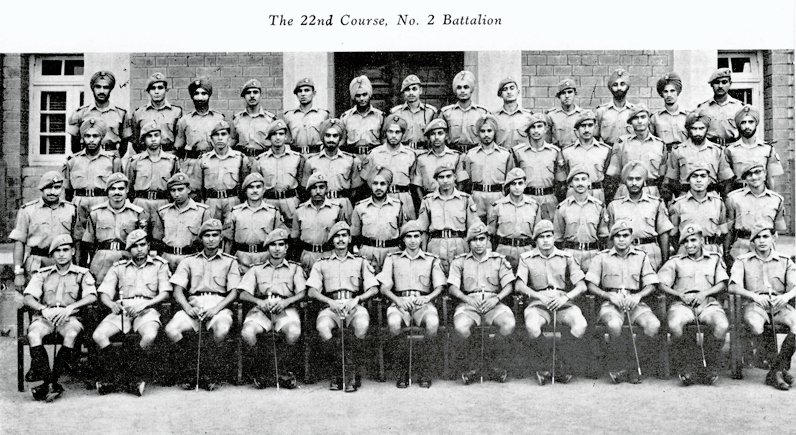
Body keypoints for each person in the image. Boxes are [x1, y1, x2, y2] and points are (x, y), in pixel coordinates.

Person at [165, 219, 242, 391]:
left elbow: (234, 292)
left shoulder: (230, 262)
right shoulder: (188, 261)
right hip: (194, 304)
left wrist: (216, 309)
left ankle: (210, 372)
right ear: (201, 238)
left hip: (219, 306)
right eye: (207, 235)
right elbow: (177, 291)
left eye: (215, 235)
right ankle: (191, 369)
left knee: (222, 329)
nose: (211, 239)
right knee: (171, 330)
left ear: (221, 238)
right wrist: (187, 308)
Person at [92, 230, 172, 396]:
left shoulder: (159, 265)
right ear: (129, 250)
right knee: (99, 335)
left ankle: (132, 376)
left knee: (149, 335)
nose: (140, 249)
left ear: (148, 246)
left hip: (147, 308)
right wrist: (111, 304)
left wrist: (146, 304)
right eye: (135, 246)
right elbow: (104, 293)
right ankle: (120, 376)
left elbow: (165, 293)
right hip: (123, 309)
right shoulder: (119, 267)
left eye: (143, 245)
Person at [307, 221, 380, 392]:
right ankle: (337, 371)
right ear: (332, 240)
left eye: (344, 236)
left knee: (361, 325)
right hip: (331, 307)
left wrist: (358, 299)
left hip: (353, 305)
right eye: (337, 237)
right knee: (323, 327)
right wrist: (329, 302)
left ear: (349, 239)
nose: (340, 240)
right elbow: (311, 291)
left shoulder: (360, 261)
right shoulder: (322, 262)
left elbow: (374, 288)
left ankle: (352, 372)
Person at [23, 235, 97, 402]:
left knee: (71, 334)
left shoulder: (82, 273)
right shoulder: (43, 274)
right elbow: (28, 297)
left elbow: (92, 296)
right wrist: (42, 309)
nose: (62, 254)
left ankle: (51, 382)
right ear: (52, 255)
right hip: (46, 316)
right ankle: (51, 383)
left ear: (73, 251)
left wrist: (71, 307)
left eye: (65, 250)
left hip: (70, 317)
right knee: (33, 334)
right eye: (57, 251)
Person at [586, 219, 661, 384]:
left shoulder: (641, 257)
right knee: (613, 325)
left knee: (653, 325)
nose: (621, 239)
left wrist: (638, 296)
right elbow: (591, 285)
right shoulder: (602, 257)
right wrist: (608, 295)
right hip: (611, 303)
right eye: (617, 236)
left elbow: (651, 284)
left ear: (631, 237)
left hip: (635, 302)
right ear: (612, 238)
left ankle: (634, 365)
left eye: (625, 235)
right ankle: (619, 365)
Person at [515, 220, 588, 384]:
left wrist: (566, 298)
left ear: (554, 237)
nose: (546, 240)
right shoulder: (527, 258)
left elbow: (582, 286)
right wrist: (538, 296)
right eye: (541, 237)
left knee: (580, 325)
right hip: (538, 304)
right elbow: (519, 285)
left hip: (563, 303)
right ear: (536, 240)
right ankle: (547, 365)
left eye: (549, 236)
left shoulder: (566, 257)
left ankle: (559, 363)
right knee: (532, 327)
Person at [658, 223, 729, 386]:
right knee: (674, 324)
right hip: (682, 304)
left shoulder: (714, 259)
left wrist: (705, 293)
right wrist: (680, 295)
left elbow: (722, 283)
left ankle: (709, 365)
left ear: (702, 240)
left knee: (722, 325)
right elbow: (661, 284)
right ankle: (687, 365)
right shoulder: (675, 261)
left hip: (707, 303)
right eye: (686, 241)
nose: (689, 245)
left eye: (693, 240)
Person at [729, 221, 796, 390]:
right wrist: (754, 296)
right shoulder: (743, 261)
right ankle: (778, 371)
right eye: (757, 237)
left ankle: (776, 370)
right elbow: (733, 286)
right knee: (754, 323)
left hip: (779, 305)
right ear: (752, 241)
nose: (761, 241)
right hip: (755, 306)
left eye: (765, 236)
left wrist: (786, 297)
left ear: (774, 237)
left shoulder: (785, 260)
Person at [378, 221, 446, 388]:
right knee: (394, 323)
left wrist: (427, 298)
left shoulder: (431, 260)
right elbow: (384, 288)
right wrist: (397, 300)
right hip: (399, 302)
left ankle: (424, 370)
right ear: (403, 239)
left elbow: (440, 286)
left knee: (432, 323)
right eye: (409, 237)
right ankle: (402, 370)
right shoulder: (392, 259)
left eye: (416, 236)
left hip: (423, 303)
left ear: (422, 238)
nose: (413, 240)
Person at [238, 228, 306, 389]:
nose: (277, 249)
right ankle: (262, 369)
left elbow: (303, 292)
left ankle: (283, 370)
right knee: (248, 332)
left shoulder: (295, 269)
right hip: (262, 309)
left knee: (293, 331)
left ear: (286, 248)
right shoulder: (256, 269)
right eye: (273, 245)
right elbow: (243, 294)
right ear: (267, 248)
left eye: (281, 245)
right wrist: (258, 301)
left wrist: (286, 302)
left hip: (285, 308)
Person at [447, 224, 516, 384]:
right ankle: (474, 365)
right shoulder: (460, 261)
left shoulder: (498, 260)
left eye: (482, 239)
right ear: (468, 242)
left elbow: (509, 286)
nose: (478, 243)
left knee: (508, 324)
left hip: (493, 303)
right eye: (474, 240)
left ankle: (493, 364)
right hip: (469, 303)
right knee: (461, 327)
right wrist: (467, 299)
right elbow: (452, 287)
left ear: (487, 240)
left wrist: (496, 299)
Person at [10, 172, 76, 296]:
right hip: (37, 262)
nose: (52, 192)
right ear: (41, 188)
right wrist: (18, 273)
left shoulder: (71, 209)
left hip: (63, 262)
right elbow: (19, 242)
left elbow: (76, 241)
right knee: (34, 299)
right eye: (48, 188)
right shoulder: (27, 210)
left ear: (61, 189)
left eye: (57, 188)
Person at [602, 161, 673, 271]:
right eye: (630, 179)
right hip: (624, 253)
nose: (634, 183)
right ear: (625, 181)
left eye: (638, 179)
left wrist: (665, 263)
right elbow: (611, 238)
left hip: (650, 254)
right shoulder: (614, 206)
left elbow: (663, 235)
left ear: (644, 181)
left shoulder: (656, 204)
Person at [415, 162, 481, 273]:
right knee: (436, 277)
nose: (445, 180)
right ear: (436, 179)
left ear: (455, 177)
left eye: (448, 176)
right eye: (441, 177)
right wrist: (424, 253)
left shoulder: (465, 199)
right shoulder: (428, 200)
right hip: (435, 245)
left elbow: (473, 229)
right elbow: (423, 231)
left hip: (459, 245)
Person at [82, 172, 148, 284]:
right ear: (107, 191)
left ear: (127, 190)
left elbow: (142, 244)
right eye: (113, 189)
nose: (117, 192)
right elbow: (89, 243)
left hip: (127, 258)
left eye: (121, 188)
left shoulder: (137, 213)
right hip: (102, 260)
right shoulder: (96, 213)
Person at [64, 119, 121, 245]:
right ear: (82, 138)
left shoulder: (112, 160)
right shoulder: (73, 160)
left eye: (95, 136)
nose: (91, 140)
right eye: (87, 136)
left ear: (102, 138)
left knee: (102, 239)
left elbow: (118, 187)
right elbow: (67, 191)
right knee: (78, 241)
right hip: (79, 204)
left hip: (102, 202)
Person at [224, 173, 288, 274]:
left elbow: (279, 241)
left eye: (258, 187)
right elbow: (228, 241)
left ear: (263, 190)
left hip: (265, 259)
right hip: (241, 260)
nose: (255, 190)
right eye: (251, 187)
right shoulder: (235, 212)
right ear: (245, 190)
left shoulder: (273, 212)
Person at [725, 163, 787, 262]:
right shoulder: (734, 198)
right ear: (745, 178)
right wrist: (726, 253)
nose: (754, 177)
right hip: (742, 246)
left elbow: (777, 230)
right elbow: (729, 230)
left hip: (766, 248)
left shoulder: (776, 200)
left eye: (758, 172)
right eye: (749, 174)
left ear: (765, 174)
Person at [173, 78, 226, 194]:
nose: (200, 97)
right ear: (192, 96)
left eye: (204, 93)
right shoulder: (184, 120)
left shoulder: (219, 118)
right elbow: (178, 147)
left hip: (213, 162)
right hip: (192, 163)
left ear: (209, 95)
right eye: (196, 94)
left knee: (212, 193)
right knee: (192, 194)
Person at [360, 115, 418, 218]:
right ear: (385, 133)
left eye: (397, 132)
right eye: (390, 132)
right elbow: (366, 180)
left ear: (403, 134)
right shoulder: (374, 154)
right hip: (381, 198)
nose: (393, 136)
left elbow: (414, 183)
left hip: (404, 198)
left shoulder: (410, 154)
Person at [664, 111, 734, 198]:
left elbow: (725, 180)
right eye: (694, 129)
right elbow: (672, 180)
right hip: (686, 197)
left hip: (711, 197)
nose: (697, 132)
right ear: (688, 129)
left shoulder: (717, 151)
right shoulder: (678, 151)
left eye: (701, 128)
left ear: (707, 129)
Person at [350, 168, 407, 273]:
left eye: (382, 184)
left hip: (392, 252)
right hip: (368, 253)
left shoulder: (397, 206)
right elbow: (354, 236)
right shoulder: (360, 207)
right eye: (375, 183)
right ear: (370, 185)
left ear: (388, 185)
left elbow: (403, 232)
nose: (379, 187)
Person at [152, 172, 212, 271]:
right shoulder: (163, 212)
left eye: (180, 189)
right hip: (167, 258)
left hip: (191, 258)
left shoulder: (202, 211)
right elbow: (157, 239)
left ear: (188, 189)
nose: (176, 194)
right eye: (173, 190)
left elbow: (208, 239)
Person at [303, 118, 361, 220]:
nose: (331, 139)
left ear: (340, 138)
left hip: (343, 204)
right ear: (322, 137)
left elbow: (355, 190)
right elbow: (305, 189)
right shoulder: (311, 161)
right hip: (320, 204)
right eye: (327, 135)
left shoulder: (351, 160)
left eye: (335, 136)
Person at [553, 165, 608, 273]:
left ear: (589, 182)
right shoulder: (562, 208)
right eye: (576, 180)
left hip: (593, 255)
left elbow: (604, 236)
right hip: (570, 255)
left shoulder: (599, 207)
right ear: (571, 184)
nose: (580, 183)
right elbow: (558, 238)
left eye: (583, 179)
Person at [605, 105, 668, 199]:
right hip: (627, 192)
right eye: (635, 118)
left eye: (643, 117)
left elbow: (662, 175)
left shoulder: (660, 144)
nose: (639, 121)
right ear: (630, 122)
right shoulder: (621, 143)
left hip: (651, 192)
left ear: (649, 120)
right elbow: (613, 173)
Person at [512, 113, 566, 220]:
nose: (536, 130)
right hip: (526, 198)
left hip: (548, 199)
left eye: (539, 126)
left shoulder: (554, 152)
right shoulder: (518, 152)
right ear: (528, 130)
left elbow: (561, 181)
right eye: (532, 127)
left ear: (546, 129)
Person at [462, 114, 515, 222]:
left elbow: (510, 181)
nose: (486, 134)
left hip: (498, 196)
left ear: (495, 132)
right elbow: (467, 182)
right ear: (478, 133)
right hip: (477, 197)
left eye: (489, 131)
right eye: (482, 131)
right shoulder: (470, 155)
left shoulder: (505, 155)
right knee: (476, 227)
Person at [486, 167, 541, 271]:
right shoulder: (497, 206)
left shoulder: (534, 206)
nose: (517, 187)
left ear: (525, 185)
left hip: (527, 251)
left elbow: (538, 235)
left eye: (520, 183)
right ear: (508, 186)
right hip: (504, 251)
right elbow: (490, 234)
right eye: (513, 184)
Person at [67, 70, 132, 158]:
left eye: (106, 87)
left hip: (112, 157)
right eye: (98, 87)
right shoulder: (81, 113)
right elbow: (75, 145)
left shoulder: (121, 113)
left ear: (110, 89)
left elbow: (124, 144)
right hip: (88, 157)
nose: (102, 91)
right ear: (92, 88)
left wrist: (115, 158)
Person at [127, 121, 178, 230]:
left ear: (161, 137)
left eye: (156, 135)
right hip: (140, 203)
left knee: (160, 236)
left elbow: (175, 185)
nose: (153, 139)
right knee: (140, 235)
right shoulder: (135, 161)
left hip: (163, 203)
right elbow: (129, 186)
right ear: (143, 139)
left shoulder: (171, 161)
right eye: (149, 136)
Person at [291, 172, 346, 272]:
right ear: (309, 190)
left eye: (321, 187)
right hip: (308, 256)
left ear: (326, 189)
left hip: (329, 255)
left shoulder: (336, 209)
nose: (318, 191)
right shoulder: (299, 211)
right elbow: (295, 239)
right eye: (314, 188)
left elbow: (343, 235)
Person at [668, 162, 728, 255]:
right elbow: (673, 234)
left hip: (711, 250)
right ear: (688, 180)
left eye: (703, 176)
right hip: (687, 251)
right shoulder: (678, 204)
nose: (699, 180)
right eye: (694, 176)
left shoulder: (718, 203)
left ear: (709, 180)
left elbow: (724, 231)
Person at [253, 119, 305, 221]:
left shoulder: (297, 158)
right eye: (274, 134)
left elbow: (301, 184)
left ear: (285, 136)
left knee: (292, 229)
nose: (278, 137)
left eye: (281, 134)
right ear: (269, 137)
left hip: (290, 202)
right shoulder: (260, 160)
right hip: (268, 202)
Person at [724, 105, 784, 190]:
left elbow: (771, 179)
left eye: (751, 122)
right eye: (743, 122)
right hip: (739, 194)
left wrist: (772, 196)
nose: (747, 126)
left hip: (760, 193)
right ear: (738, 125)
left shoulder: (767, 149)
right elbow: (727, 182)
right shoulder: (730, 150)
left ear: (756, 124)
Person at [200, 120, 246, 223]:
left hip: (232, 201)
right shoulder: (203, 159)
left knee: (230, 229)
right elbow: (198, 188)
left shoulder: (240, 158)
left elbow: (244, 186)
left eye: (223, 134)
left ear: (229, 137)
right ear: (211, 138)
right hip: (211, 202)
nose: (220, 138)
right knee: (211, 228)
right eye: (216, 135)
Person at [560, 110, 612, 203]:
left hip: (597, 193)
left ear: (595, 127)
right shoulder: (567, 151)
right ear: (577, 129)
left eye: (590, 125)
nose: (587, 130)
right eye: (583, 126)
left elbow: (608, 178)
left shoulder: (604, 150)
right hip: (574, 193)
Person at [130, 72, 183, 153]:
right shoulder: (139, 113)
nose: (156, 92)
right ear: (148, 91)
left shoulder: (176, 112)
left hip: (169, 154)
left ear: (166, 90)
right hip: (146, 155)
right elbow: (136, 142)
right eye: (153, 88)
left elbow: (180, 139)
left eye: (160, 88)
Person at [412, 118, 466, 196]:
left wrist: (454, 199)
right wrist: (423, 202)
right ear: (429, 137)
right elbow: (417, 185)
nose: (436, 137)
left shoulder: (456, 157)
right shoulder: (421, 159)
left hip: (450, 197)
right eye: (433, 134)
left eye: (440, 133)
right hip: (429, 198)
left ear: (446, 136)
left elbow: (461, 182)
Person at [440, 71, 488, 154]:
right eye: (459, 88)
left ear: (471, 90)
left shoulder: (481, 112)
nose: (462, 91)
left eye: (466, 87)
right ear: (455, 91)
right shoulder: (447, 113)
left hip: (475, 153)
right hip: (453, 153)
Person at [695, 68, 743, 146]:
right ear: (711, 85)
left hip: (732, 147)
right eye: (717, 82)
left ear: (730, 84)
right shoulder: (702, 108)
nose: (720, 86)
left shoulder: (739, 107)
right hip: (710, 148)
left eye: (724, 82)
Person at [390, 74, 438, 151]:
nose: (411, 93)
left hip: (424, 152)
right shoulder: (396, 113)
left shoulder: (430, 112)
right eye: (407, 90)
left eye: (414, 89)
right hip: (403, 152)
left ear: (420, 91)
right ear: (403, 93)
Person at [283, 77, 330, 155]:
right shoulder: (289, 116)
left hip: (316, 155)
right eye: (300, 91)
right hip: (296, 155)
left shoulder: (323, 115)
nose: (303, 94)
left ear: (314, 93)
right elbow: (285, 141)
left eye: (307, 90)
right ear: (296, 94)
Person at [232, 79, 276, 159]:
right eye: (248, 93)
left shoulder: (270, 120)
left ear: (261, 95)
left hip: (263, 159)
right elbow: (232, 142)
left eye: (255, 92)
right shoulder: (237, 119)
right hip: (243, 160)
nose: (252, 96)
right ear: (244, 96)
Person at [341, 75, 383, 159]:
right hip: (353, 158)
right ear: (354, 97)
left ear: (369, 95)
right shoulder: (345, 117)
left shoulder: (380, 116)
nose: (362, 98)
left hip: (374, 158)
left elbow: (384, 142)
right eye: (358, 95)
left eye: (364, 94)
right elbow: (342, 143)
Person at [595, 68, 635, 146]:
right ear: (611, 88)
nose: (619, 88)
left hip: (628, 149)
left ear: (627, 87)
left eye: (622, 84)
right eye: (615, 85)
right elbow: (595, 136)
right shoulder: (601, 111)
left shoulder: (634, 110)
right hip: (608, 149)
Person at [650, 72, 688, 152]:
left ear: (678, 92)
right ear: (661, 94)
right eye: (665, 91)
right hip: (664, 154)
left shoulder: (687, 116)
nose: (669, 95)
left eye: (672, 91)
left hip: (684, 154)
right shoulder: (655, 118)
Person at [493, 76, 533, 148]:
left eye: (512, 88)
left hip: (521, 154)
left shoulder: (528, 116)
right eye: (505, 89)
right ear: (500, 94)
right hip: (502, 154)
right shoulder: (494, 117)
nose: (509, 92)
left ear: (518, 92)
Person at [545, 78, 583, 147]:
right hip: (559, 151)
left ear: (575, 94)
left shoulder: (582, 114)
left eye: (570, 92)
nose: (567, 96)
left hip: (577, 151)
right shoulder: (551, 116)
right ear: (559, 96)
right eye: (563, 93)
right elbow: (547, 141)